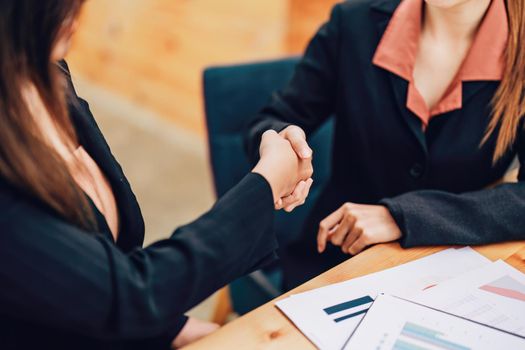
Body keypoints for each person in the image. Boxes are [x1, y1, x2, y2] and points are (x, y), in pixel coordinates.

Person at [0, 1, 313, 349]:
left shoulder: (42, 70)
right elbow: (129, 292)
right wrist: (265, 186)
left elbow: (85, 271)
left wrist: (170, 329)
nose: (78, 11)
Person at [246, 0, 525, 289]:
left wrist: (404, 217)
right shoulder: (354, 22)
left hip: (450, 274)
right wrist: (280, 142)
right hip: (335, 263)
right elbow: (274, 120)